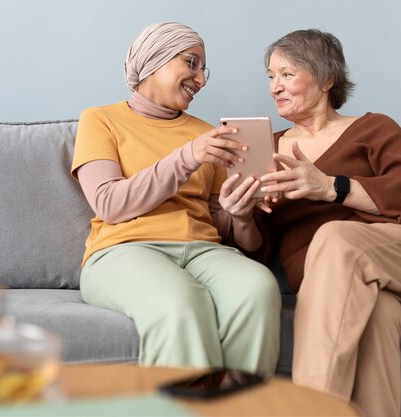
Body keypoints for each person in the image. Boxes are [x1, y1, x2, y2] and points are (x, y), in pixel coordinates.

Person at [250, 29, 401, 416]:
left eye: (286, 74)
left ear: (326, 78)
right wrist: (239, 215)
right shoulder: (265, 150)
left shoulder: (373, 128)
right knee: (374, 321)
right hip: (345, 283)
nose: (274, 87)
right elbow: (257, 246)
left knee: (335, 237)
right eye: (270, 76)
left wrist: (330, 187)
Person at [70, 22, 281, 375]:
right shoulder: (100, 119)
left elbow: (227, 228)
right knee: (180, 300)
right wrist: (189, 156)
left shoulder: (206, 134)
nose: (201, 80)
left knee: (257, 287)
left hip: (204, 251)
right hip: (124, 250)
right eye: (192, 63)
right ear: (156, 58)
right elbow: (110, 203)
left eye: (203, 70)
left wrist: (241, 216)